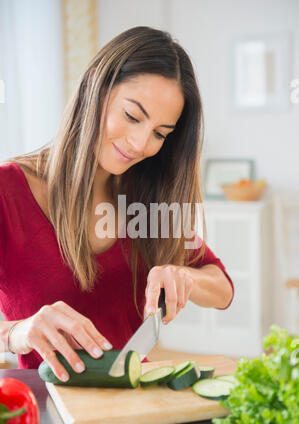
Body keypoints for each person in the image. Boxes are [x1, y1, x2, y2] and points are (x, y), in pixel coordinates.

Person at [0, 26, 234, 382]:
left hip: (131, 402)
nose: (141, 144)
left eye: (160, 134)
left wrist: (184, 276)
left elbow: (222, 288)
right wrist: (19, 332)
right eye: (132, 116)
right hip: (46, 411)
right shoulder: (7, 191)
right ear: (96, 85)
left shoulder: (147, 197)